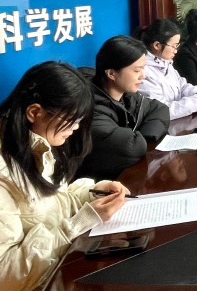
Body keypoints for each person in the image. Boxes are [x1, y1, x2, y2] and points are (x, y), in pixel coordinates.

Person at [0, 62, 130, 291]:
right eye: (72, 120)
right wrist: (76, 225)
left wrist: (93, 193)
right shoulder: (5, 171)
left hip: (61, 270)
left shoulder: (38, 144)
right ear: (34, 112)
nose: (76, 128)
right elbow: (6, 273)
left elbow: (52, 201)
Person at [79, 36, 170, 180]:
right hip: (100, 185)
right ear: (111, 74)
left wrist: (143, 137)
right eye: (137, 71)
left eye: (143, 69)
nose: (143, 76)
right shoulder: (90, 109)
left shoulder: (127, 95)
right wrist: (138, 139)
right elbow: (131, 147)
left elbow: (160, 109)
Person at [136, 18, 197, 119]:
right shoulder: (143, 71)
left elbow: (182, 86)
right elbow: (162, 110)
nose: (176, 51)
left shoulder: (166, 64)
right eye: (174, 46)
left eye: (177, 46)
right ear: (157, 45)